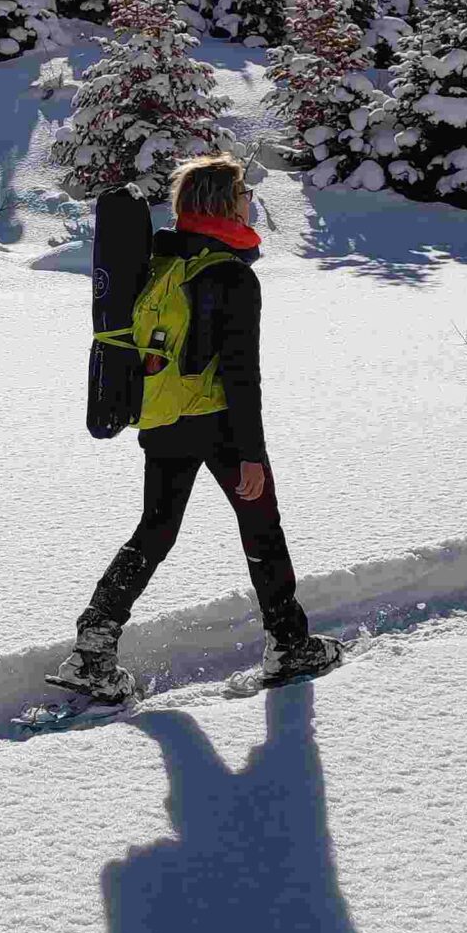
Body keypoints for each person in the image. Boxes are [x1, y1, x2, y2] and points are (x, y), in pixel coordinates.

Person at [52, 153, 343, 702]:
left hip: (162, 418)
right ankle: (290, 644)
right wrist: (252, 455)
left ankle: (93, 647)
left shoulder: (164, 261)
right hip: (216, 421)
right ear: (221, 204)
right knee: (262, 526)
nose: (250, 202)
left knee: (156, 529)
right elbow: (240, 375)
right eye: (242, 195)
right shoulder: (230, 275)